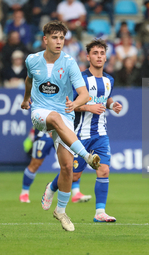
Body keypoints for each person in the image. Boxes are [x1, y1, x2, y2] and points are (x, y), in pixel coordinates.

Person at [21, 21, 101, 232]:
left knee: (67, 167)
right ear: (45, 39)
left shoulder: (69, 62)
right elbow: (29, 80)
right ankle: (87, 156)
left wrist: (75, 104)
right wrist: (26, 99)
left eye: (62, 38)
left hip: (65, 115)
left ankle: (61, 211)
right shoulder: (32, 60)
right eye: (54, 37)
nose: (59, 42)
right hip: (40, 113)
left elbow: (85, 94)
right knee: (55, 117)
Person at [41, 38, 122, 223]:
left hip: (100, 134)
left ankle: (100, 212)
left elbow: (105, 98)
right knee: (73, 174)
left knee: (104, 170)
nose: (99, 56)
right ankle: (52, 187)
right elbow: (67, 105)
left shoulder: (110, 79)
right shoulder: (81, 79)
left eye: (102, 53)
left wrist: (112, 105)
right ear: (88, 56)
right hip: (78, 134)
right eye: (95, 53)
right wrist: (88, 107)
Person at [19, 127, 92, 203]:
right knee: (35, 164)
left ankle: (76, 193)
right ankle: (24, 193)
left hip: (61, 133)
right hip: (44, 133)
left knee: (70, 163)